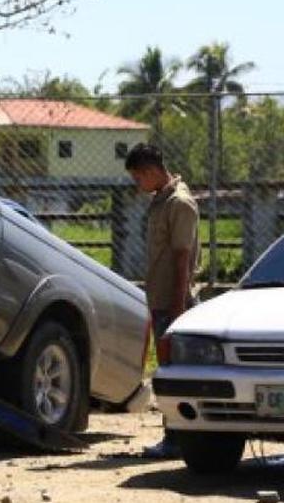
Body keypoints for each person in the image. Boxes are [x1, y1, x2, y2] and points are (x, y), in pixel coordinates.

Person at [125, 142, 199, 459]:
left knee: (175, 374)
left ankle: (178, 439)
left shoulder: (179, 203)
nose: (137, 184)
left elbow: (183, 257)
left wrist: (178, 305)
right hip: (161, 301)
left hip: (173, 303)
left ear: (152, 171)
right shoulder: (161, 201)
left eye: (138, 177)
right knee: (170, 372)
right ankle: (177, 437)